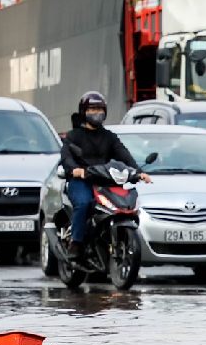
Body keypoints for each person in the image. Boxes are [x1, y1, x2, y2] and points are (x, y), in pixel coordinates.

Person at [60, 92, 150, 258]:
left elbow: (124, 155)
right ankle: (76, 242)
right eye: (92, 109)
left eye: (100, 109)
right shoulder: (74, 136)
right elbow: (66, 157)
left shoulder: (109, 137)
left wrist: (139, 172)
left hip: (106, 181)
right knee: (84, 203)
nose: (97, 113)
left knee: (123, 204)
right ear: (83, 112)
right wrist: (75, 170)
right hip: (82, 181)